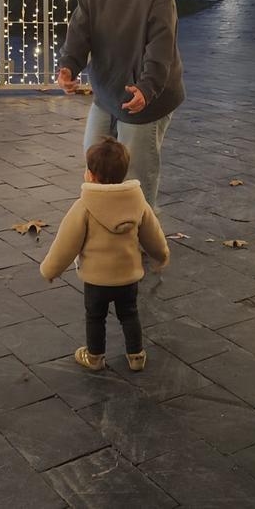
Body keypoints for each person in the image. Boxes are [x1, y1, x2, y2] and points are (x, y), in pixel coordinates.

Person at [56, 0, 184, 208]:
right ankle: (101, 223)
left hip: (147, 97)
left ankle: (140, 230)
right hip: (108, 91)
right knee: (94, 160)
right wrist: (69, 66)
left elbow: (161, 45)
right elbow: (79, 31)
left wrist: (147, 89)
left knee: (136, 175)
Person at [39, 137, 170, 371]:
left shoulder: (83, 206)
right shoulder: (138, 202)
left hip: (96, 280)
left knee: (95, 317)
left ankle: (95, 356)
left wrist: (50, 270)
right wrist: (161, 256)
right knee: (129, 314)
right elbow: (153, 235)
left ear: (90, 175)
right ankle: (136, 355)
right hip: (128, 276)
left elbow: (66, 244)